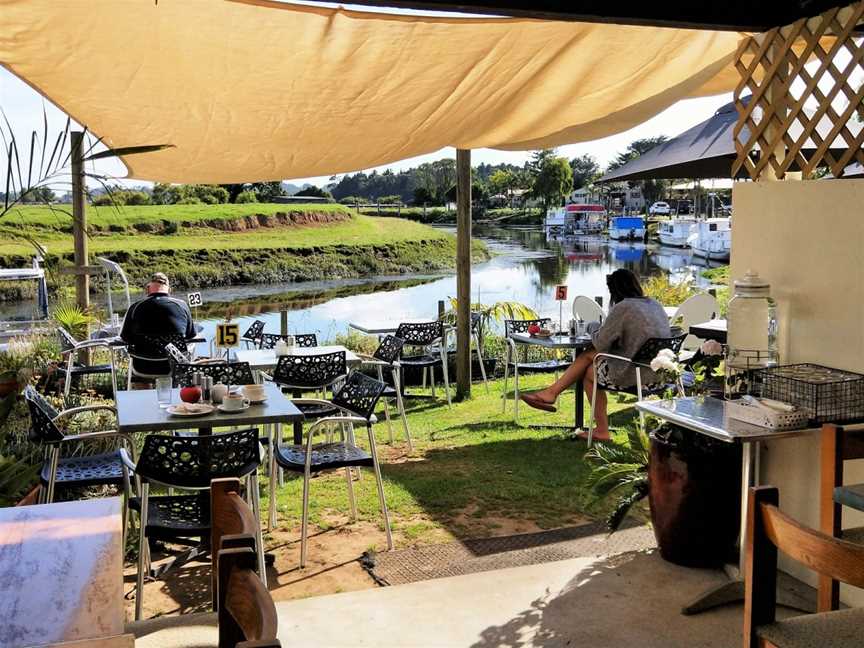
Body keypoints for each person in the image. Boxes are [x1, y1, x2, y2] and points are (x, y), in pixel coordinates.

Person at [520, 269, 670, 441]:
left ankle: (558, 398)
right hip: (658, 373)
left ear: (615, 290)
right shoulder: (654, 304)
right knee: (591, 368)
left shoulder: (624, 307)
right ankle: (553, 395)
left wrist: (592, 326)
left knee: (589, 362)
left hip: (634, 376)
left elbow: (601, 342)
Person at [120, 272, 196, 378]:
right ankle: (176, 390)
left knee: (137, 371)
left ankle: (141, 391)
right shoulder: (182, 306)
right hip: (174, 367)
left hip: (142, 367)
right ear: (169, 290)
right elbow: (190, 336)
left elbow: (125, 337)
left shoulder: (135, 307)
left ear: (148, 289)